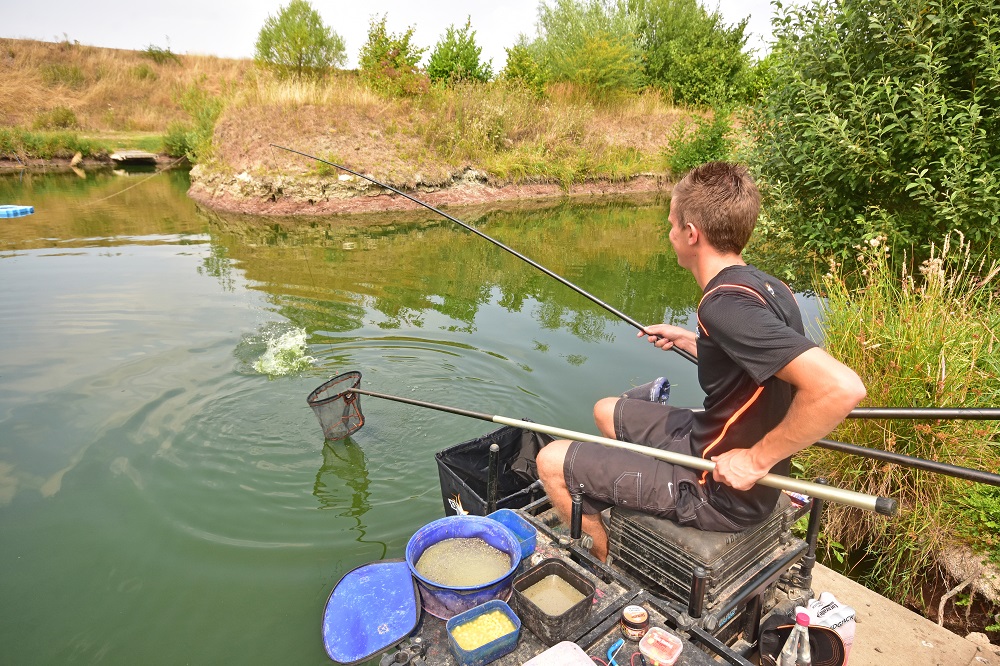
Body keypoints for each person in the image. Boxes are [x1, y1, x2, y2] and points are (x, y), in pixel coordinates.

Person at [536, 162, 866, 562]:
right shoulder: (768, 286)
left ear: (692, 234)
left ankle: (605, 568)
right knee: (606, 411)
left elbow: (840, 388)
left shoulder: (724, 305)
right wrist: (697, 342)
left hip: (721, 490)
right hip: (708, 438)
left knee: (551, 461)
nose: (669, 233)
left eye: (672, 224)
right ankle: (629, 495)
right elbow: (758, 370)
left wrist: (755, 459)